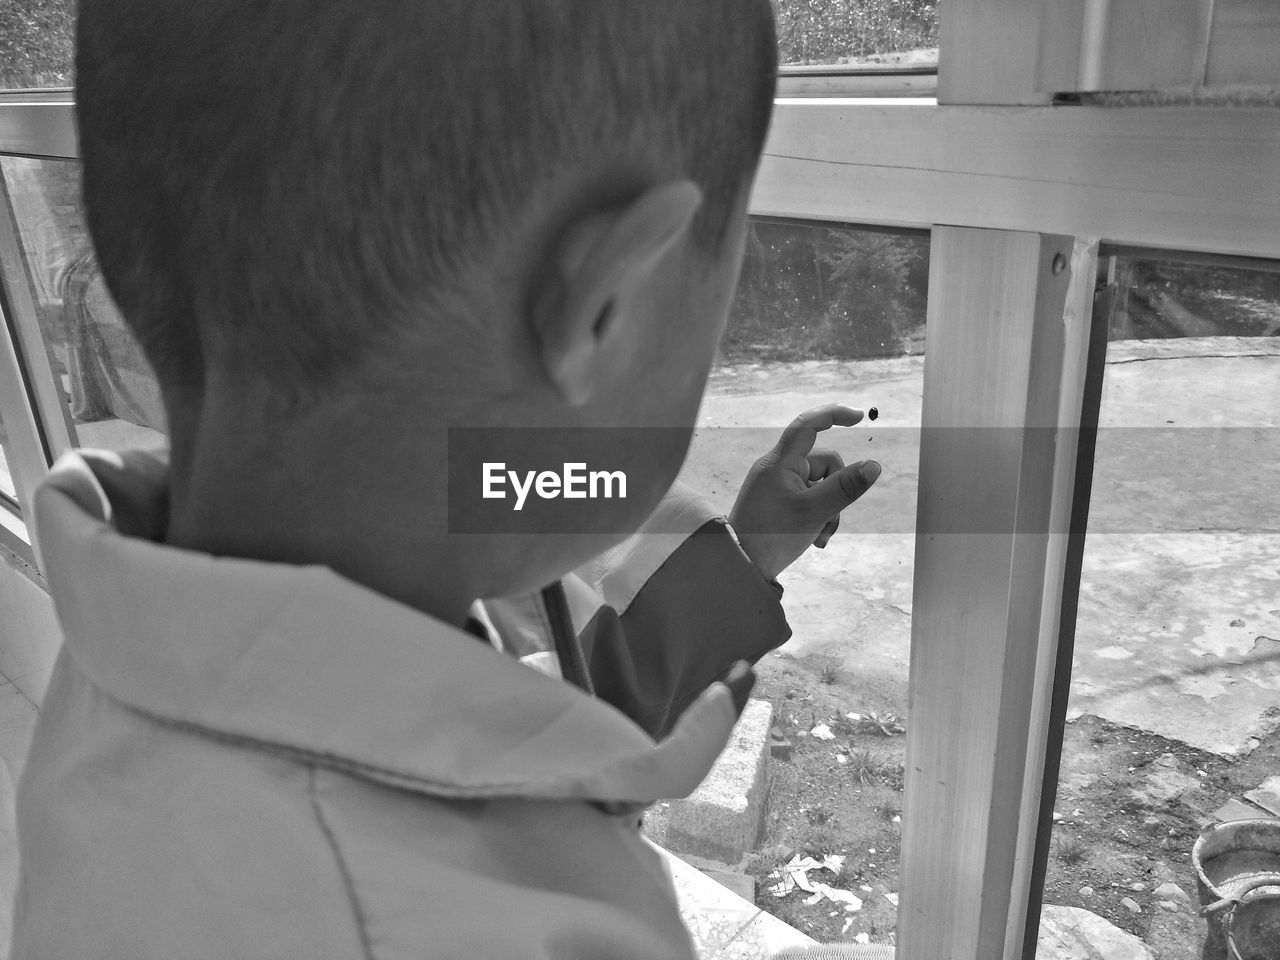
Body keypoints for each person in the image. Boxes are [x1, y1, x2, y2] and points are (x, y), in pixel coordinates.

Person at [13, 1, 881, 957]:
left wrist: (746, 552)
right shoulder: (506, 927)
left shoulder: (152, 635)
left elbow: (534, 699)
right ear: (609, 305)